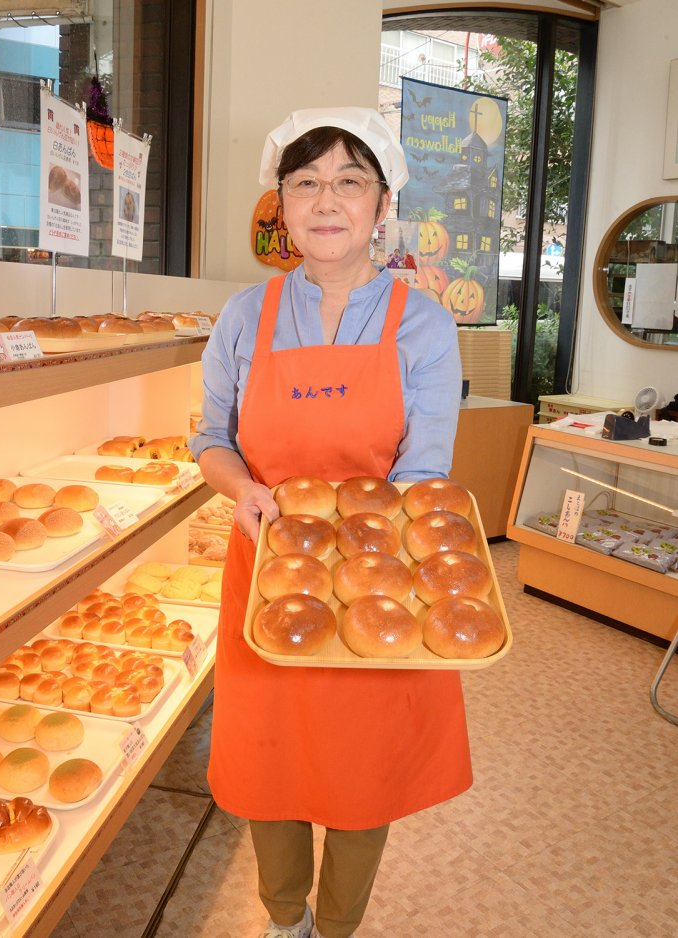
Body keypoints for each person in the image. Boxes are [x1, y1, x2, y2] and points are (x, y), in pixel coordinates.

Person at [189, 106, 472, 938]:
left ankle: (339, 924)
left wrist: (372, 546)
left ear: (382, 205)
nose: (326, 200)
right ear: (281, 203)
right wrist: (241, 488)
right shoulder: (245, 314)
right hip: (266, 563)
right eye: (306, 181)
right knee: (264, 760)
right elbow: (210, 438)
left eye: (350, 181)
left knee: (360, 768)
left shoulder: (422, 322)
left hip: (376, 579)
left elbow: (424, 471)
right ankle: (285, 919)